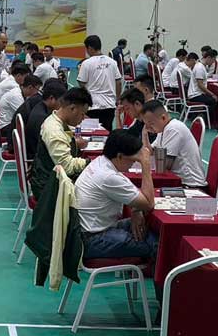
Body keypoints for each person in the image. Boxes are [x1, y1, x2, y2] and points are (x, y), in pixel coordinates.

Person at [74, 130, 158, 262]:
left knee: (149, 227)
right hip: (93, 239)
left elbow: (136, 197)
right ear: (120, 156)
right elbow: (149, 203)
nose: (133, 164)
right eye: (133, 160)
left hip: (90, 230)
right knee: (157, 245)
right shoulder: (108, 176)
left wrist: (136, 210)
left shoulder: (100, 162)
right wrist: (145, 164)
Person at [30, 88, 92, 196]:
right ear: (72, 108)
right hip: (49, 189)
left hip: (50, 180)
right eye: (82, 114)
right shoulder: (54, 130)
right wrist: (90, 162)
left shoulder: (56, 120)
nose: (83, 119)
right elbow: (67, 167)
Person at [141, 101, 207, 189]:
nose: (148, 128)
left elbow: (164, 166)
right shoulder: (163, 129)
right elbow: (150, 152)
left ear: (163, 118)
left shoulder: (173, 129)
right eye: (146, 124)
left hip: (192, 185)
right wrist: (144, 135)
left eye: (151, 124)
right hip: (179, 181)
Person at [77, 35, 123, 131]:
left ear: (90, 48)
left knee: (91, 132)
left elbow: (81, 82)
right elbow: (118, 82)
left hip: (92, 105)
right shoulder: (112, 62)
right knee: (107, 131)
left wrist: (87, 94)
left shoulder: (86, 63)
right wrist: (117, 99)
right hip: (109, 105)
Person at [24, 80, 66, 157]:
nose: (62, 106)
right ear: (51, 98)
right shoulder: (42, 118)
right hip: (38, 157)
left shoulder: (40, 107)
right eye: (61, 102)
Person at [0, 75, 43, 140]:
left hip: (8, 123)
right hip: (5, 127)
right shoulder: (16, 96)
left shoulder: (19, 91)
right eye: (37, 89)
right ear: (30, 87)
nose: (38, 93)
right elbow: (25, 115)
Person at [187, 52, 218, 117]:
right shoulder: (200, 68)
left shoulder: (200, 66)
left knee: (212, 98)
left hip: (195, 94)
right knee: (214, 100)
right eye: (213, 60)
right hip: (195, 95)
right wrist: (212, 94)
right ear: (208, 57)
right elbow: (200, 85)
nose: (213, 62)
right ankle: (207, 120)